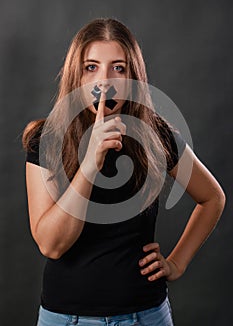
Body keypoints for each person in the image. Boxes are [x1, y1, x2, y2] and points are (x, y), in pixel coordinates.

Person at [22, 18, 225, 326]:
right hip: (67, 318)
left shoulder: (155, 134)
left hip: (145, 316)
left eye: (118, 67)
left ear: (133, 76)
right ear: (76, 74)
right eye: (92, 67)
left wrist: (176, 263)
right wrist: (91, 163)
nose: (105, 81)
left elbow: (212, 198)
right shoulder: (47, 138)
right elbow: (52, 244)